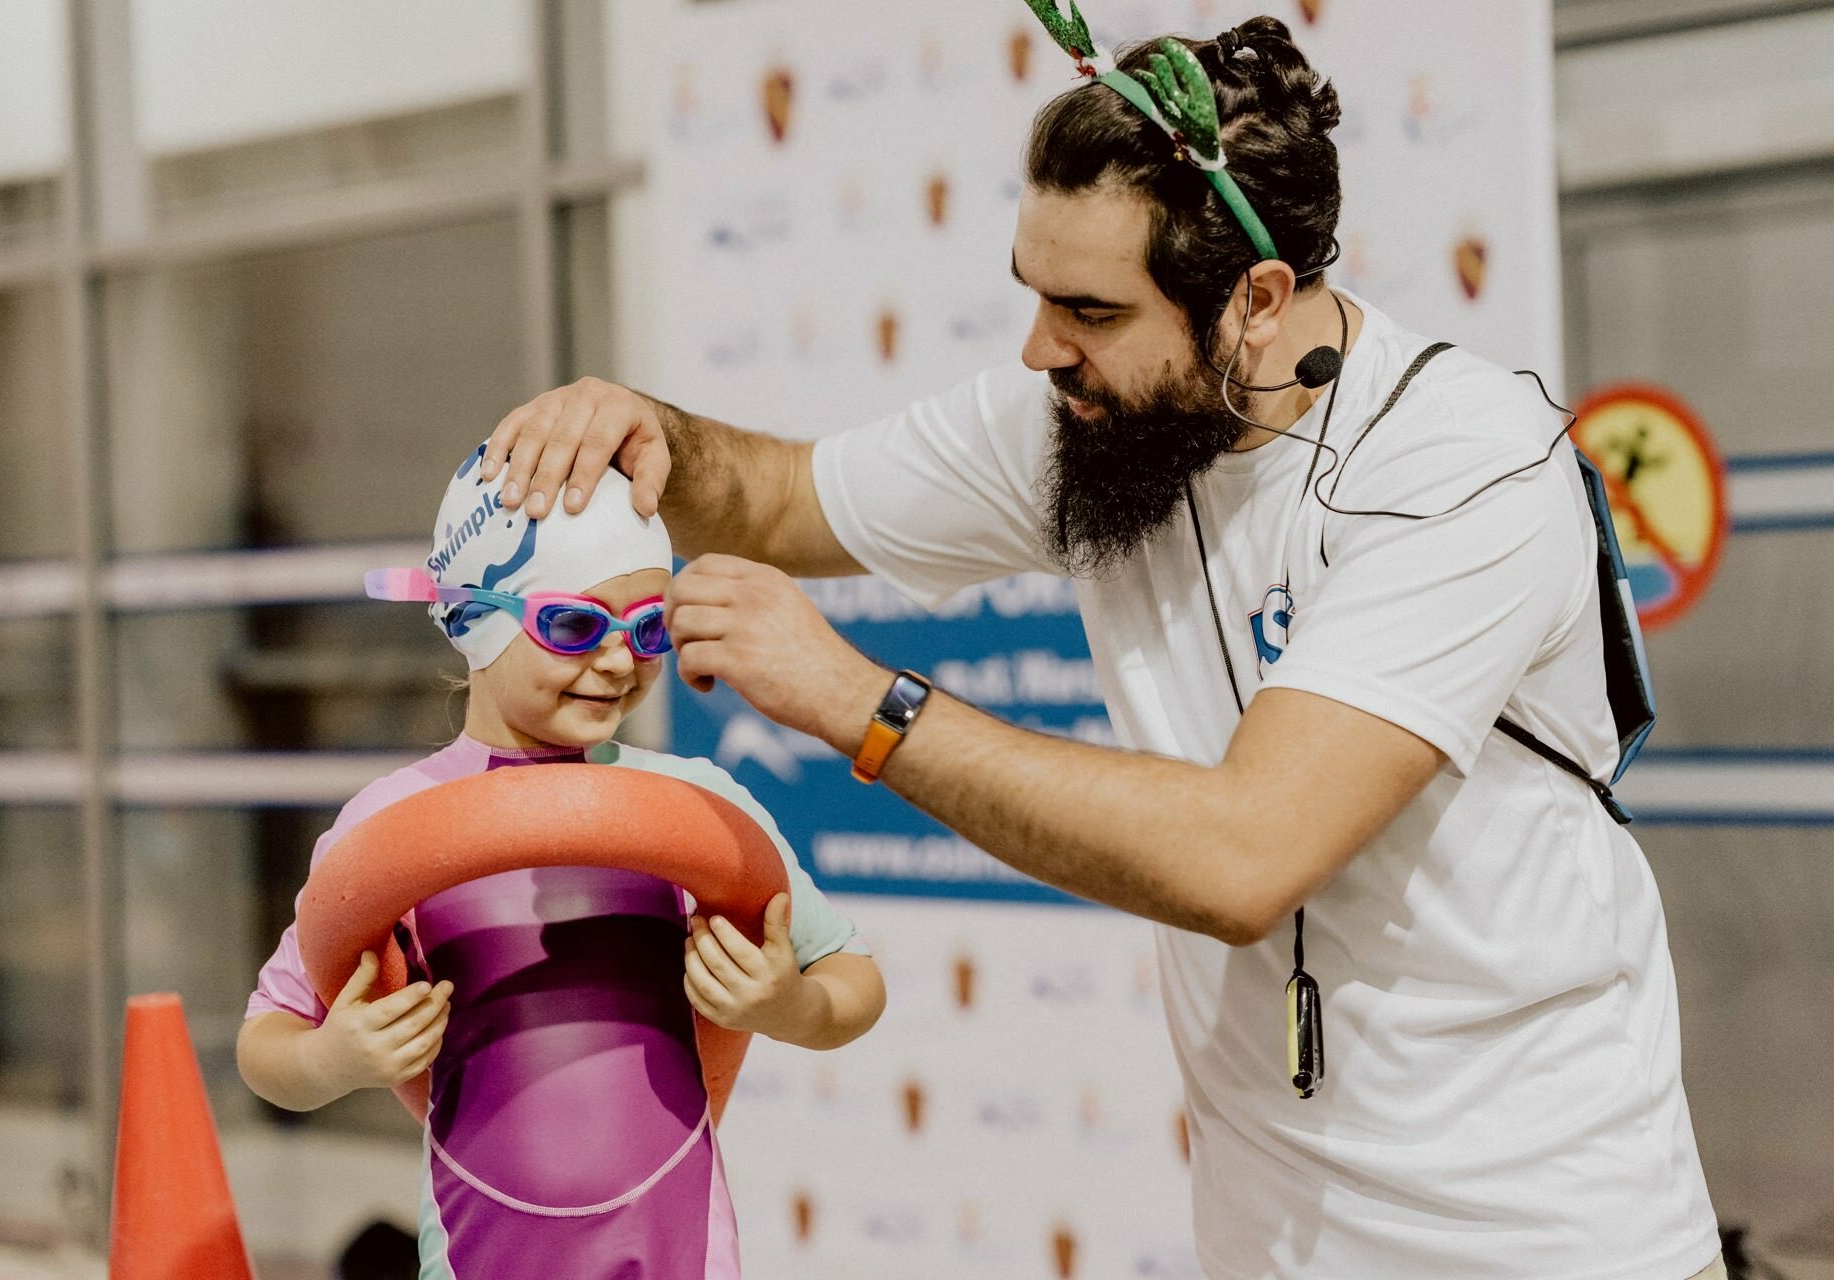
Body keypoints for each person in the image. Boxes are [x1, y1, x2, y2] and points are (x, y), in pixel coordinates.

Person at [475, 14, 1722, 1280]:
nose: (1039, 349)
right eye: (1032, 292)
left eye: (1089, 310)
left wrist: (866, 704)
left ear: (1258, 299)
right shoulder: (1096, 415)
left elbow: (1245, 855)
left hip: (1556, 1241)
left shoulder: (1462, 462)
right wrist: (646, 434)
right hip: (1275, 1244)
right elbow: (790, 497)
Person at [235, 453, 885, 1279]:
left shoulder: (693, 807)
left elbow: (854, 977)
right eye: (576, 626)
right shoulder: (393, 827)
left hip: (680, 1252)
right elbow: (267, 1045)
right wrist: (332, 1061)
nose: (619, 661)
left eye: (648, 629)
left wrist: (789, 1005)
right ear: (477, 619)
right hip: (477, 1255)